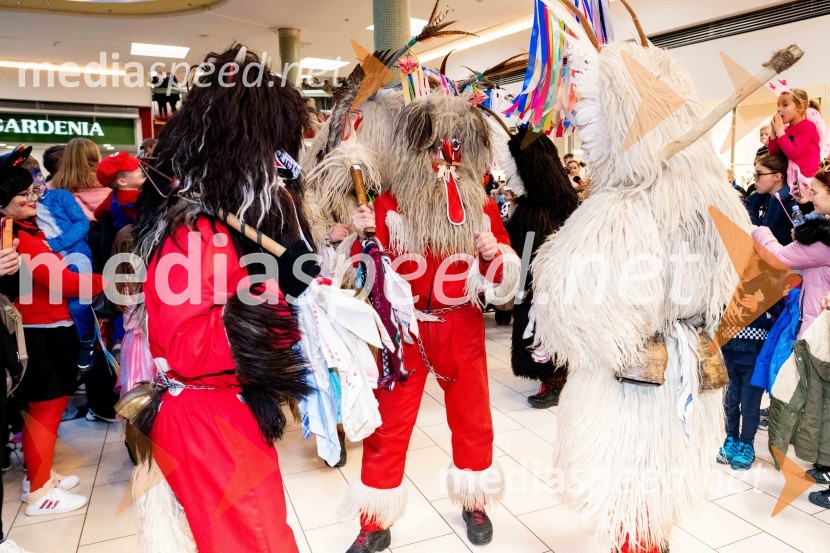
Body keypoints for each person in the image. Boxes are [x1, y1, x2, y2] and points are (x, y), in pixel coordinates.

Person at [130, 44, 317, 553]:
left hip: (227, 411)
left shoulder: (224, 225)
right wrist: (278, 297)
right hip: (209, 420)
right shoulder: (194, 232)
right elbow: (191, 345)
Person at [346, 93, 520, 551]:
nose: (444, 159)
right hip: (403, 330)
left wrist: (492, 256)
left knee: (473, 418)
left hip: (459, 324)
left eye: (454, 149)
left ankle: (474, 499)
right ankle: (375, 519)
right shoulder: (385, 205)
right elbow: (362, 277)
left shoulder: (480, 207)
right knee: (389, 424)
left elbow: (502, 280)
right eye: (434, 148)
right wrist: (360, 237)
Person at [0, 146, 104, 517]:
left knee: (47, 409)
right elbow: (62, 282)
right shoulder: (20, 237)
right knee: (46, 409)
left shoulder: (23, 230)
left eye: (33, 191)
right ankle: (40, 492)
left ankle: (38, 476)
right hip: (42, 331)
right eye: (24, 194)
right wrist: (107, 280)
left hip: (46, 325)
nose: (34, 197)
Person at [493, 125, 578, 408]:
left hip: (547, 281)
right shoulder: (541, 202)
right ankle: (549, 375)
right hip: (532, 278)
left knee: (544, 326)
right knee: (532, 324)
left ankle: (554, 379)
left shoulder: (549, 204)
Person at [28, 156, 97, 371]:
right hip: (47, 261)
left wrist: (57, 243)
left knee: (79, 303)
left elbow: (82, 222)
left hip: (76, 254)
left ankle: (87, 341)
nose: (37, 182)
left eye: (39, 175)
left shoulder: (60, 196)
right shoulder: (25, 206)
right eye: (30, 179)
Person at [768, 87, 821, 192]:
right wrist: (773, 134)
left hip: (804, 181)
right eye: (778, 105)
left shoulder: (808, 127)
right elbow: (774, 156)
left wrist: (780, 132)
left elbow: (792, 153)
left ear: (800, 108)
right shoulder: (785, 130)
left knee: (776, 200)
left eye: (785, 105)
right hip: (788, 178)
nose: (779, 109)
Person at [51, 138, 108, 221]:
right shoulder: (111, 179)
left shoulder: (55, 185)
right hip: (112, 230)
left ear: (67, 157)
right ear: (96, 155)